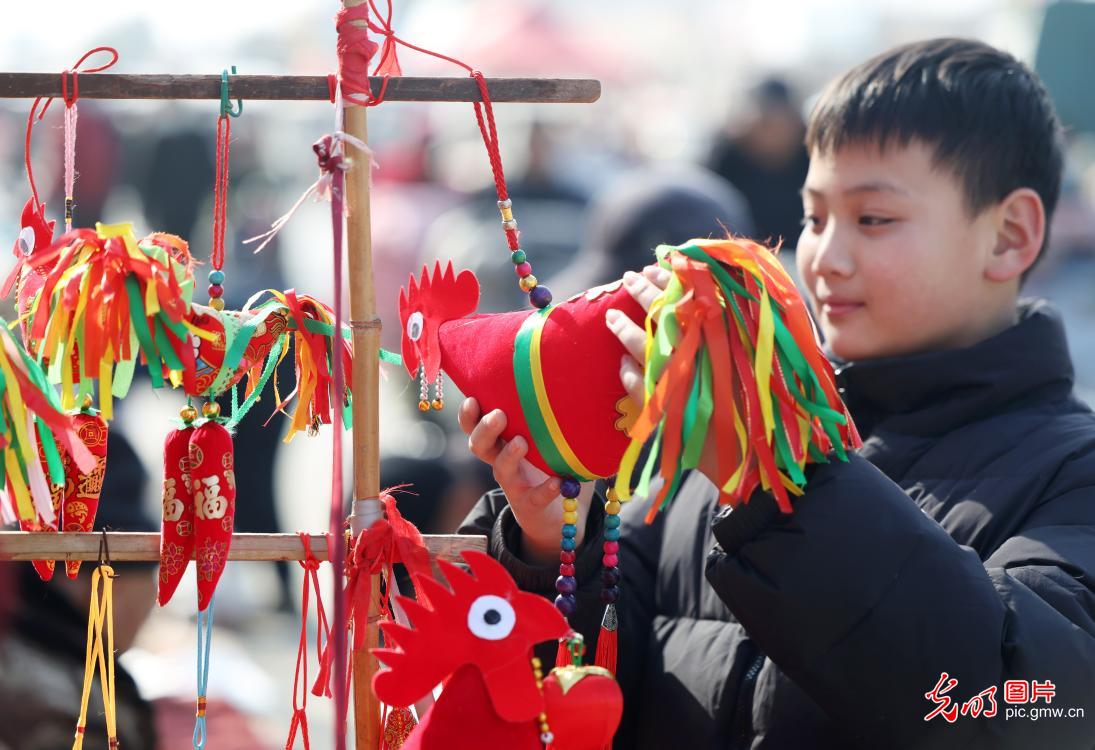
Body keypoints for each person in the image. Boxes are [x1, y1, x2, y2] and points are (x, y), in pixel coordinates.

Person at [456, 38, 1095, 748]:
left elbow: (1021, 708)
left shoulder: (1072, 475)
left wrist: (769, 484)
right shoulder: (713, 446)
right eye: (814, 218)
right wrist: (554, 541)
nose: (825, 256)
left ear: (1008, 235)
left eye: (872, 218)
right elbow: (596, 692)